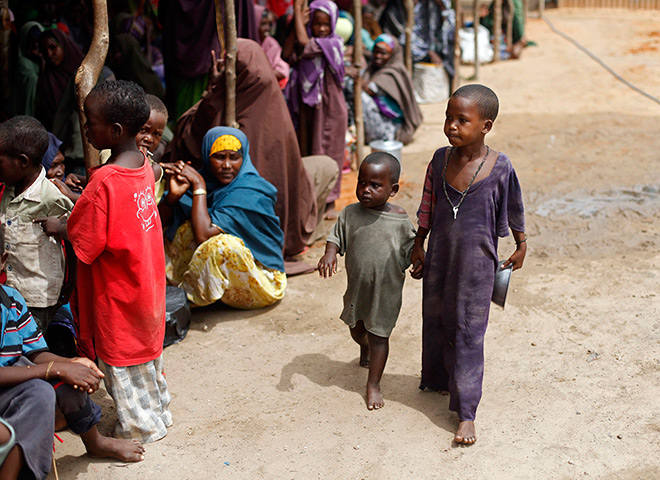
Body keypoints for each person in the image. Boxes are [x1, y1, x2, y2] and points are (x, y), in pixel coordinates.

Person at [40, 80, 172, 443]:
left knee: (122, 360)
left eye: (90, 122)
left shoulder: (105, 181)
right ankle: (160, 411)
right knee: (146, 356)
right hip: (145, 283)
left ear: (114, 131)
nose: (86, 128)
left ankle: (141, 428)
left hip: (118, 294)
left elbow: (86, 238)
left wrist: (58, 226)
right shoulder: (144, 165)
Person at [410, 84, 526, 445]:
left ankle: (466, 413)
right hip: (441, 257)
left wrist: (521, 245)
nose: (452, 126)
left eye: (462, 120)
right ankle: (437, 379)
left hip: (477, 264)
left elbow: (514, 206)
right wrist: (418, 242)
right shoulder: (439, 160)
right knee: (437, 318)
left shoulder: (499, 166)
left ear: (486, 126)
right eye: (448, 117)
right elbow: (427, 204)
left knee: (468, 332)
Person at [167, 39, 335, 261]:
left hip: (235, 204)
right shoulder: (269, 96)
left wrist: (212, 92)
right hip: (259, 208)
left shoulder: (227, 106)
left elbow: (189, 137)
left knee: (323, 167)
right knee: (326, 166)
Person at [0, 230, 146, 480]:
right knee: (41, 392)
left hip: (15, 383)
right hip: (12, 386)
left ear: (3, 260)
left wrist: (72, 364)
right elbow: (40, 369)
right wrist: (54, 369)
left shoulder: (11, 299)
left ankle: (95, 442)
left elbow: (36, 353)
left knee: (70, 380)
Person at [318, 153, 416, 410]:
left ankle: (373, 384)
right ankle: (364, 348)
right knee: (357, 330)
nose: (366, 190)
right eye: (362, 183)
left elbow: (411, 247)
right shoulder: (350, 213)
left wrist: (420, 260)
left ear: (392, 189)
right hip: (358, 289)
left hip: (386, 292)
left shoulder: (399, 218)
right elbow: (335, 237)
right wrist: (330, 254)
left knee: (379, 335)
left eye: (375, 185)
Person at [161, 127, 287, 309]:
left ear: (243, 159)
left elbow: (204, 235)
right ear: (206, 156)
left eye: (234, 157)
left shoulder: (250, 190)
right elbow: (158, 223)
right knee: (183, 229)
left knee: (221, 246)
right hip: (229, 285)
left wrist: (198, 186)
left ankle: (185, 299)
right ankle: (179, 288)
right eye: (219, 157)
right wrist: (173, 197)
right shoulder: (205, 180)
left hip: (262, 282)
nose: (227, 165)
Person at [0, 116, 74, 329]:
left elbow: (80, 233)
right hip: (10, 291)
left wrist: (60, 228)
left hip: (37, 298)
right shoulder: (7, 190)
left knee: (31, 348)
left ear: (22, 162)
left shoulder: (52, 196)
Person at [283, 0, 348, 217]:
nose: (321, 29)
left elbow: (303, 41)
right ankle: (313, 197)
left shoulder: (332, 44)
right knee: (310, 149)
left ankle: (329, 200)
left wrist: (300, 24)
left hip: (330, 108)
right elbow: (287, 54)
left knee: (330, 151)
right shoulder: (309, 40)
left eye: (325, 24)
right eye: (316, 23)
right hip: (309, 106)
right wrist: (297, 24)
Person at [361, 33, 423, 145]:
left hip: (391, 127)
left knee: (361, 97)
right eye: (376, 51)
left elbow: (369, 89)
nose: (378, 56)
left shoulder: (392, 73)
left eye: (383, 53)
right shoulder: (373, 69)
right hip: (378, 121)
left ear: (392, 54)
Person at [106, 34, 166, 99]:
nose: (110, 55)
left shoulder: (151, 84)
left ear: (128, 53)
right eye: (109, 51)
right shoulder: (110, 76)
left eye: (115, 51)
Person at [11, 21, 45, 117]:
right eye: (31, 41)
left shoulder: (44, 59)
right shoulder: (23, 63)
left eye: (38, 41)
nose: (35, 45)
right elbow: (34, 83)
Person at [254, 5, 290, 89]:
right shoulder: (246, 44)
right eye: (263, 24)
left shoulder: (271, 44)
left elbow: (282, 71)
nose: (267, 28)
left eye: (269, 24)